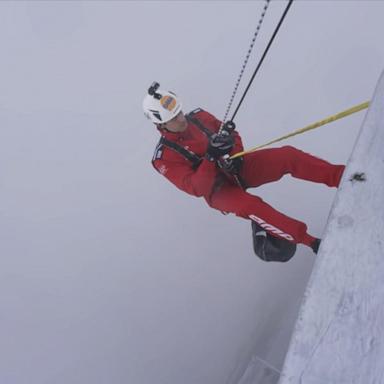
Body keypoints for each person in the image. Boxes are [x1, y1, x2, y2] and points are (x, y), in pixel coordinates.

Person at [143, 82, 345, 257]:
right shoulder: (164, 158)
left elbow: (232, 135)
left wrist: (235, 153)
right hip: (218, 190)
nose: (181, 118)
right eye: (173, 118)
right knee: (251, 206)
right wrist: (211, 158)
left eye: (179, 111)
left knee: (287, 155)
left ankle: (342, 178)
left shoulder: (199, 116)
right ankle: (311, 241)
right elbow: (196, 188)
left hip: (237, 167)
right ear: (160, 124)